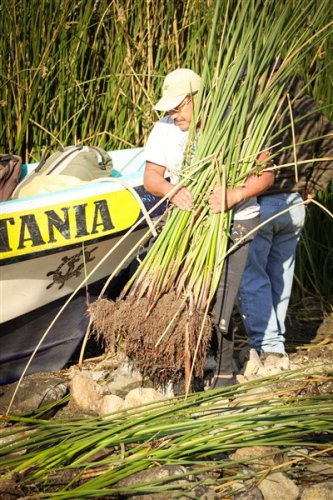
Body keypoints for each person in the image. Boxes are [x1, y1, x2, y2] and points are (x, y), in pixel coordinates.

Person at [143, 68, 275, 388]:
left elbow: (267, 174)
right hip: (187, 223)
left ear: (197, 99)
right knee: (186, 297)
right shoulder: (163, 129)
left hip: (237, 222)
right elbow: (151, 179)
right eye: (169, 109)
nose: (173, 115)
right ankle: (188, 368)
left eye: (178, 107)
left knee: (221, 301)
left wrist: (235, 194)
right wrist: (172, 190)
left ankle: (223, 372)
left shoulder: (236, 122)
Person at [238, 76, 333, 370]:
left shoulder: (257, 109)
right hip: (295, 204)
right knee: (281, 275)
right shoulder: (309, 107)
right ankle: (275, 340)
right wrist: (314, 186)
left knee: (252, 276)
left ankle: (268, 346)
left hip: (263, 203)